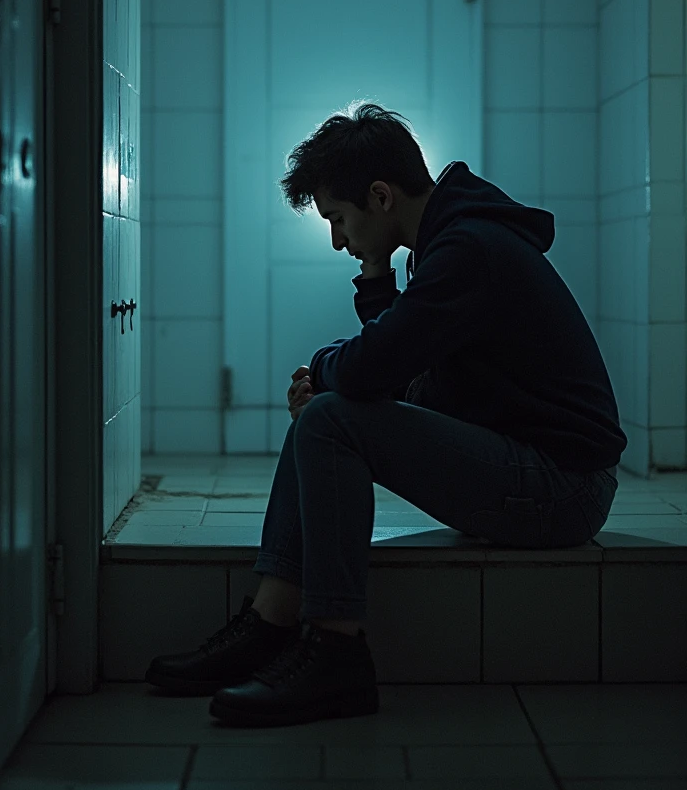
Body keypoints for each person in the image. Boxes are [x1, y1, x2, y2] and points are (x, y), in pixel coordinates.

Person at [146, 99, 624, 728]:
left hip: (563, 487)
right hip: (537, 467)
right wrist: (375, 276)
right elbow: (402, 374)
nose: (337, 239)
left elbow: (377, 369)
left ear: (379, 197)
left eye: (338, 219)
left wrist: (323, 369)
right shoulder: (453, 242)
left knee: (329, 415)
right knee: (329, 412)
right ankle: (270, 624)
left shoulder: (467, 250)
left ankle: (335, 653)